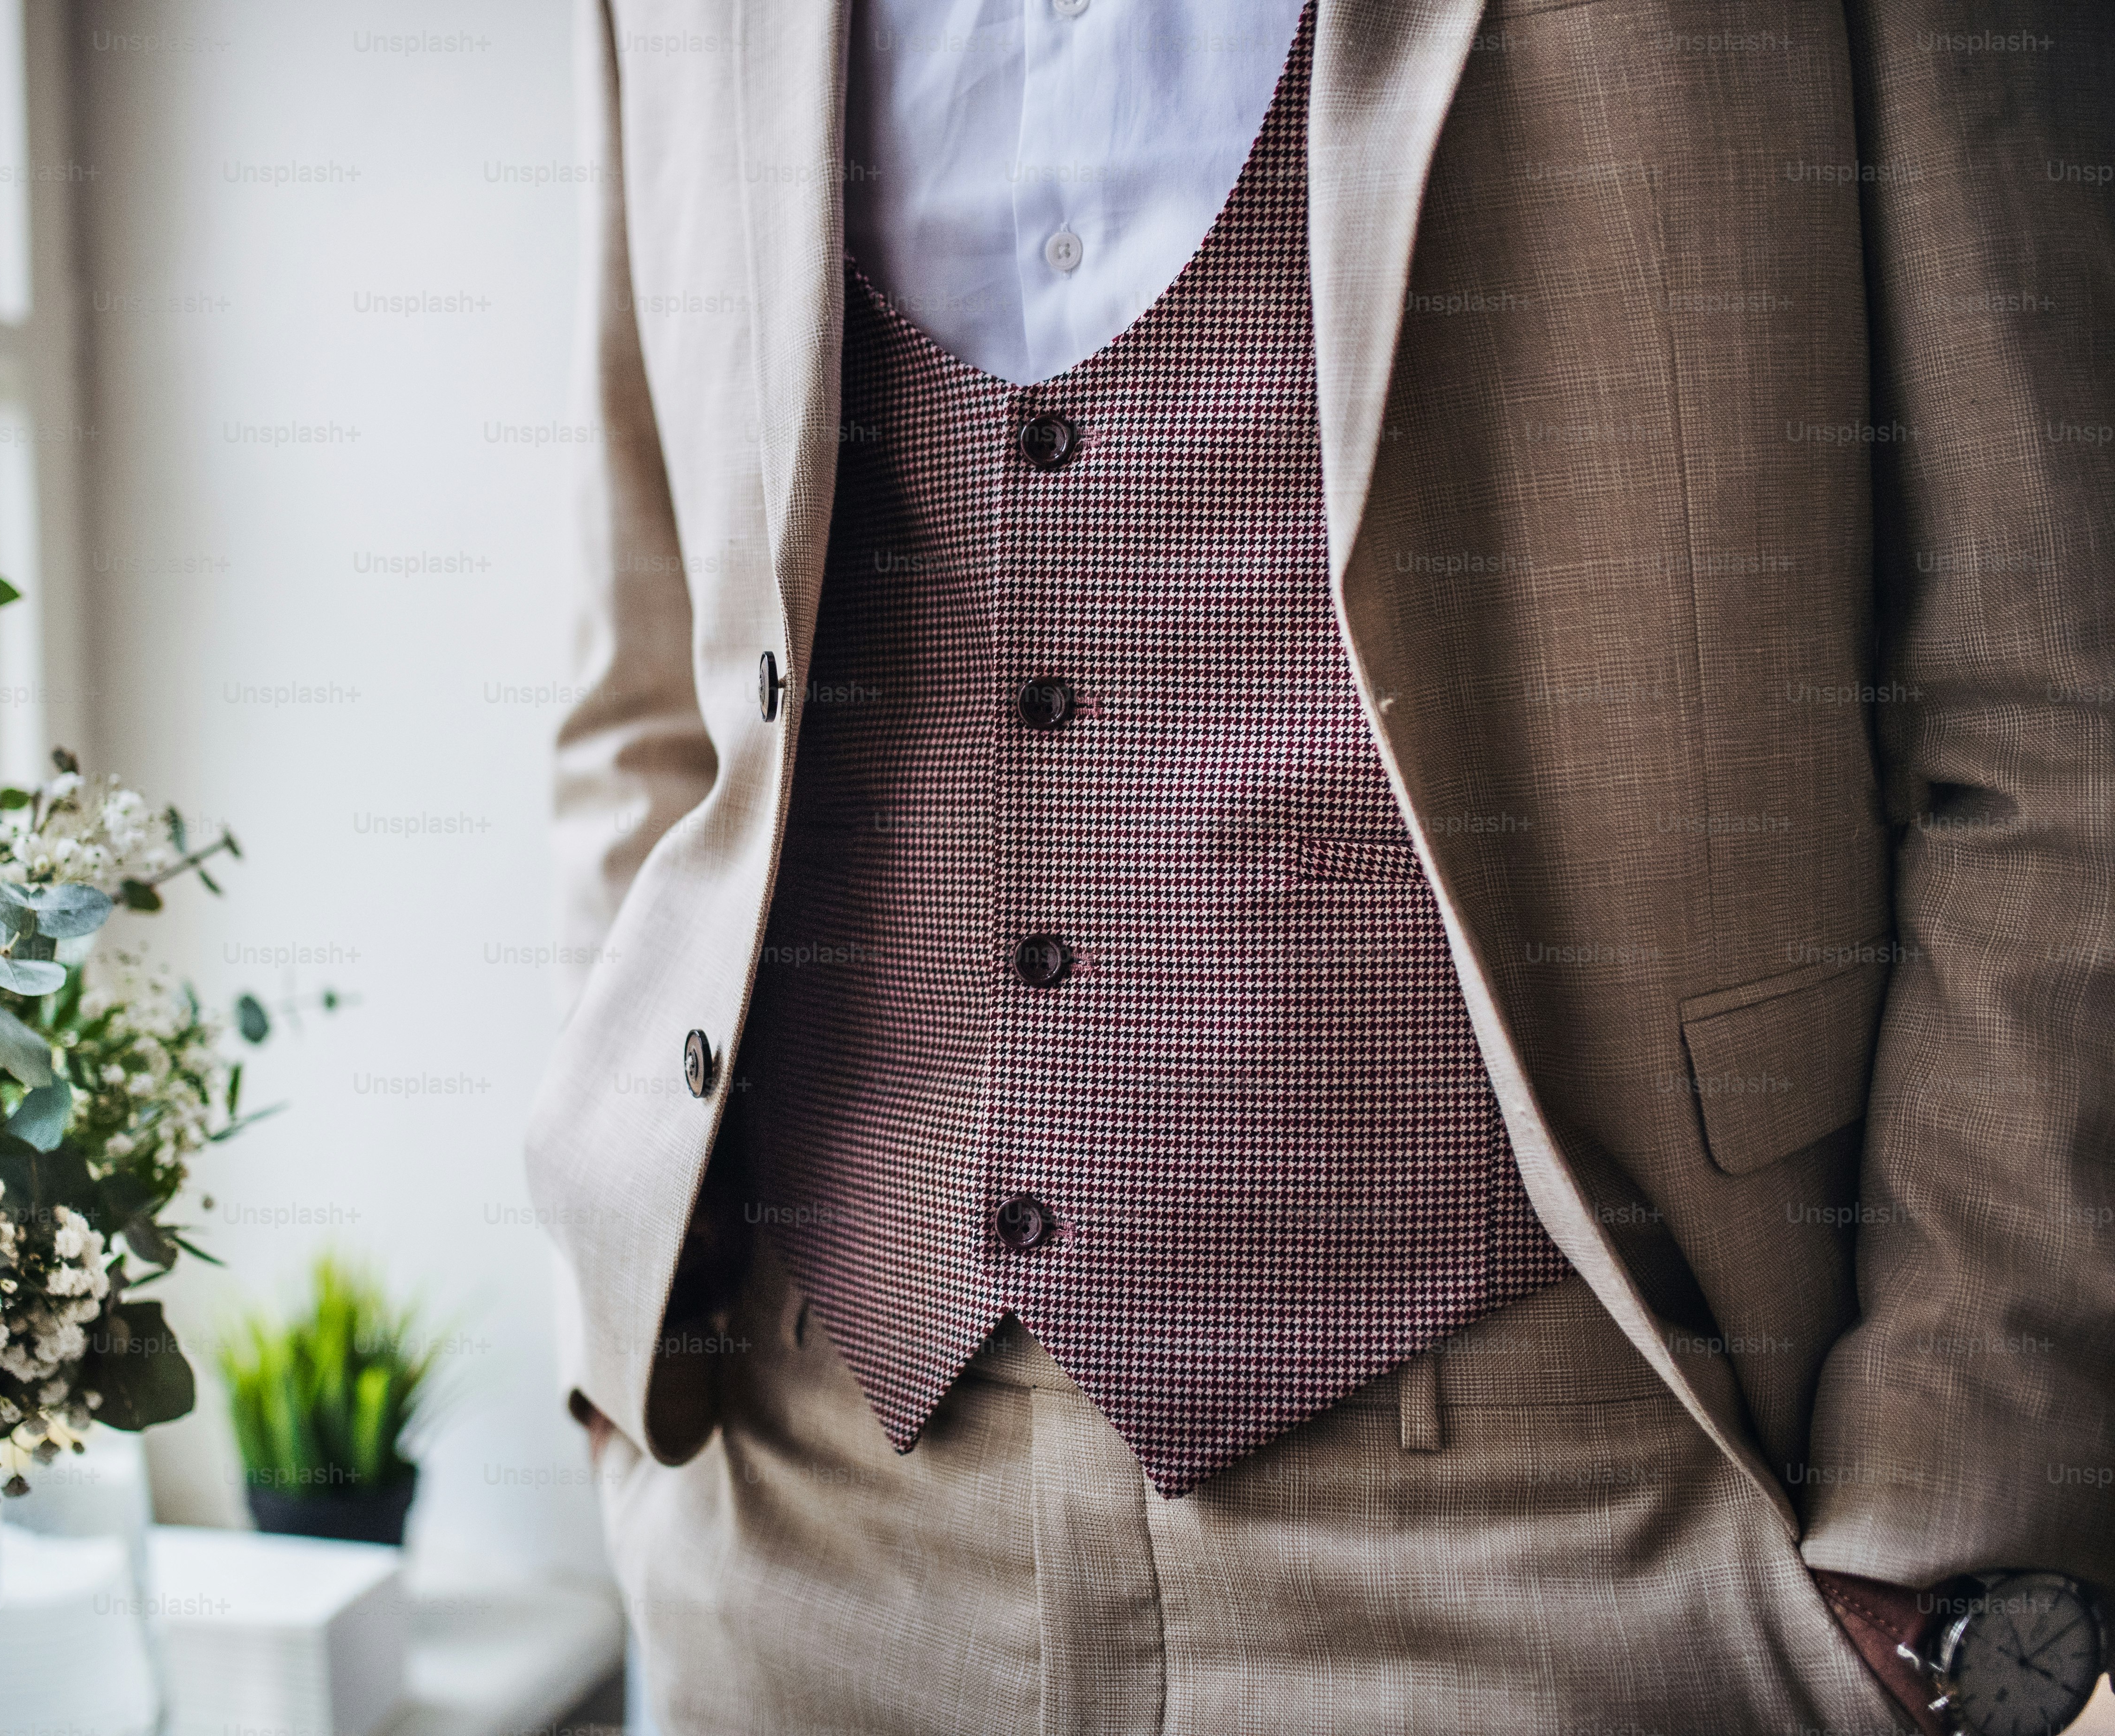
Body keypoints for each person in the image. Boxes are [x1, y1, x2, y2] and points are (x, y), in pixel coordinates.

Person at [526, 1, 2115, 1730]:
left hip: (1595, 1532)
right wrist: (615, 1370)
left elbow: (2053, 688)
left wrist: (1949, 1510)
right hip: (806, 1519)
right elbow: (646, 695)